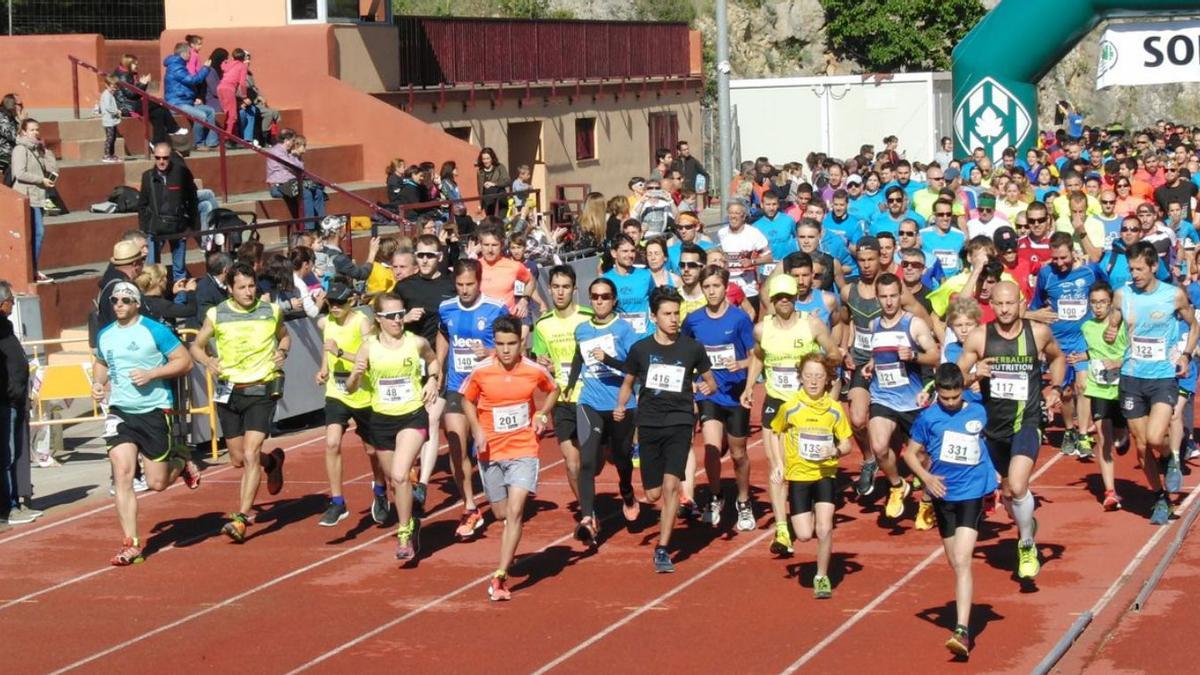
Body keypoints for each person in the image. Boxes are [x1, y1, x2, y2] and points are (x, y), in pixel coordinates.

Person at [957, 281, 1066, 579]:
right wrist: (973, 374)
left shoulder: (1037, 333)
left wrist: (1055, 388)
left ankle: (1027, 544)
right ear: (990, 306)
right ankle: (1027, 523)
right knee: (1007, 491)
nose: (1005, 310)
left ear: (1020, 303)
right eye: (999, 304)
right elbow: (955, 378)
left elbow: (1058, 357)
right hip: (994, 428)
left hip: (1027, 421)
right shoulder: (980, 337)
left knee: (1018, 485)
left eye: (1010, 303)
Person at [92, 281, 200, 564]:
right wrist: (97, 382)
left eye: (125, 300)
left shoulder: (155, 330)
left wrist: (152, 374)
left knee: (157, 482)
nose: (119, 305)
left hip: (153, 411)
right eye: (115, 300)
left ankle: (180, 460)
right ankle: (131, 543)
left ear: (137, 303)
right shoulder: (105, 334)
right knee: (123, 474)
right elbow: (101, 363)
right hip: (120, 412)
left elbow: (185, 362)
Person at [616, 287, 717, 573]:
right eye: (667, 314)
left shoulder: (691, 348)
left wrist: (705, 387)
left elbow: (711, 381)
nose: (673, 319)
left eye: (677, 313)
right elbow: (627, 383)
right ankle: (636, 494)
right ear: (654, 316)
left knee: (672, 487)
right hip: (648, 423)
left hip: (680, 422)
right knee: (652, 494)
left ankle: (662, 548)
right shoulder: (641, 349)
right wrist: (621, 406)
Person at [189, 262, 290, 542]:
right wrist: (208, 360)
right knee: (237, 459)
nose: (248, 292)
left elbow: (285, 336)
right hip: (229, 391)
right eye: (242, 287)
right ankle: (272, 463)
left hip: (262, 388)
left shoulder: (271, 311)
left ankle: (242, 517)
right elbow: (195, 346)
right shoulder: (217, 314)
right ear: (229, 289)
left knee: (249, 453)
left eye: (251, 286)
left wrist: (282, 351)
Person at [902, 363, 998, 658]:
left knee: (963, 558)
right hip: (944, 496)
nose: (951, 403)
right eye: (945, 398)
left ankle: (962, 630)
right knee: (955, 564)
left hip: (971, 493)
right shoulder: (928, 418)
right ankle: (962, 615)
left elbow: (988, 440)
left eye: (956, 397)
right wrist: (927, 479)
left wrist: (994, 475)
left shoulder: (978, 410)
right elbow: (909, 453)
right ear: (937, 394)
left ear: (962, 390)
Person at [461, 315, 558, 600]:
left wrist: (541, 413)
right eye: (501, 344)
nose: (506, 350)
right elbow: (466, 399)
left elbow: (553, 390)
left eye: (512, 344)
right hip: (490, 450)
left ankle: (500, 576)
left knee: (516, 511)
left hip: (523, 448)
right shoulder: (481, 372)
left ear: (521, 342)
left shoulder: (533, 370)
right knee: (502, 513)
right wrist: (477, 429)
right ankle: (509, 545)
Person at [742, 274, 841, 554]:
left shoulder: (811, 324)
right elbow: (759, 357)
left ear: (795, 297)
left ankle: (809, 506)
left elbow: (834, 354)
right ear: (772, 300)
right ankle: (782, 529)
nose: (784, 301)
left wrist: (818, 376)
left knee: (807, 464)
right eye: (779, 297)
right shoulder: (762, 330)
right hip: (776, 404)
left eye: (788, 296)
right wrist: (750, 386)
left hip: (807, 406)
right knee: (778, 468)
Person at [347, 292, 441, 560]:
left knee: (400, 475)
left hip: (412, 415)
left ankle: (403, 531)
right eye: (391, 316)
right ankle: (411, 517)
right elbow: (352, 388)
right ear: (378, 319)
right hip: (381, 419)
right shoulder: (368, 347)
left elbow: (433, 360)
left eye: (401, 314)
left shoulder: (416, 342)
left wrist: (432, 380)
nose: (398, 320)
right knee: (394, 481)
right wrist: (355, 374)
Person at [1109, 242, 1198, 524]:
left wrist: (1185, 355)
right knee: (1141, 446)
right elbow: (1112, 321)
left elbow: (1194, 325)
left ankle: (1173, 455)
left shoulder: (1173, 296)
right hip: (1132, 377)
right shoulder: (1122, 295)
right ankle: (1160, 497)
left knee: (1155, 437)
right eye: (1131, 269)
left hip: (1161, 377)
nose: (1134, 274)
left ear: (1153, 267)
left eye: (1139, 269)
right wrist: (1111, 329)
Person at [767, 353, 853, 598]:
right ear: (801, 378)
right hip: (799, 477)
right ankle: (804, 523)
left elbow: (847, 444)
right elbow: (775, 432)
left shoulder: (834, 410)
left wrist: (834, 450)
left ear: (827, 379)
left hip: (825, 474)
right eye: (808, 376)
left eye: (819, 376)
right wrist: (778, 465)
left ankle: (822, 576)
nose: (813, 381)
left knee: (825, 528)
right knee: (805, 534)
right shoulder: (791, 407)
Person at [437, 259, 507, 539]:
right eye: (460, 285)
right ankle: (469, 505)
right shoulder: (446, 308)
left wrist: (490, 351)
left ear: (480, 282)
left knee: (489, 447)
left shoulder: (495, 309)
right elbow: (443, 335)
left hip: (488, 388)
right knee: (454, 439)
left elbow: (513, 346)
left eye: (470, 284)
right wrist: (438, 365)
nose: (465, 290)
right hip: (457, 386)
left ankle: (502, 491)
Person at [683, 266, 756, 530]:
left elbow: (756, 356)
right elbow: (683, 352)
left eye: (716, 286)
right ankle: (715, 496)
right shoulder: (693, 320)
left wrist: (742, 364)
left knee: (738, 454)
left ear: (726, 287)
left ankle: (744, 501)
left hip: (735, 395)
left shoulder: (739, 319)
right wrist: (692, 382)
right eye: (707, 287)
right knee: (711, 448)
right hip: (709, 393)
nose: (712, 291)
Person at [863, 273, 940, 519]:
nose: (888, 302)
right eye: (883, 297)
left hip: (911, 400)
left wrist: (914, 356)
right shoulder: (873, 325)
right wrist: (871, 364)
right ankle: (898, 486)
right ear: (877, 299)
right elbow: (880, 353)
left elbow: (935, 355)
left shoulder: (913, 324)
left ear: (900, 296)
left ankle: (927, 500)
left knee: (921, 456)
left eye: (893, 296)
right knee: (878, 446)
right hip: (882, 396)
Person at [312, 280, 386, 526]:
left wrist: (341, 353)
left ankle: (380, 489)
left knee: (372, 450)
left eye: (339, 303)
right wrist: (323, 369)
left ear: (351, 302)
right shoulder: (327, 323)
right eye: (331, 303)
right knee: (332, 443)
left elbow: (370, 357)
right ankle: (337, 501)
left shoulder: (361, 323)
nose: (334, 308)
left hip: (363, 392)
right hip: (337, 392)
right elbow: (327, 349)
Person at [394, 234, 458, 508]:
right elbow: (384, 321)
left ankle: (422, 484)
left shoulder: (450, 286)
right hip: (409, 364)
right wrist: (404, 318)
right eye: (420, 255)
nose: (425, 260)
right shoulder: (404, 287)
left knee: (431, 421)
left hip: (440, 362)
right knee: (409, 422)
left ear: (440, 257)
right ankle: (404, 471)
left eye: (430, 255)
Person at [530, 265, 593, 516]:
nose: (560, 292)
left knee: (593, 461)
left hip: (590, 398)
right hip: (563, 400)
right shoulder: (543, 325)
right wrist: (543, 364)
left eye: (565, 287)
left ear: (574, 290)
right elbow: (539, 361)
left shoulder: (588, 317)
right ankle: (588, 512)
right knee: (572, 463)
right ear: (549, 289)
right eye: (555, 287)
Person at [1081, 281, 1128, 511]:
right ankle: (1110, 492)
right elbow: (1092, 350)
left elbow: (1132, 351)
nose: (1097, 307)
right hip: (1098, 387)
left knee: (1119, 434)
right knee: (1103, 438)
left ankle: (1124, 433)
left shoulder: (1120, 326)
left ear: (1111, 304)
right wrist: (1082, 359)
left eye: (1102, 302)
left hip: (1123, 387)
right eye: (1094, 303)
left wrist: (1118, 362)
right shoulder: (1087, 326)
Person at [0, 281, 40, 525]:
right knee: (7, 455)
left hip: (13, 399)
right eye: (11, 301)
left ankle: (14, 502)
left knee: (13, 454)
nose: (13, 305)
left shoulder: (6, 326)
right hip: (5, 401)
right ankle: (9, 507)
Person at [138, 143, 199, 287]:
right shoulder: (148, 176)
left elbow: (192, 199)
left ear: (170, 157)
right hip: (155, 229)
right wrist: (146, 228)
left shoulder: (181, 173)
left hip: (178, 227)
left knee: (179, 270)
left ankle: (180, 301)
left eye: (165, 158)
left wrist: (190, 226)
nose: (161, 161)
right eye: (158, 157)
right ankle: (153, 301)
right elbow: (142, 204)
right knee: (151, 270)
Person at [10, 118, 58, 281]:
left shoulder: (38, 150)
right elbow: (19, 173)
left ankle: (34, 269)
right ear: (23, 132)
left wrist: (47, 151)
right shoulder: (20, 149)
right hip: (26, 196)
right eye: (31, 130)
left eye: (37, 129)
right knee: (37, 233)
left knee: (36, 234)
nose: (35, 132)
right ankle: (33, 271)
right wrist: (40, 180)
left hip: (38, 197)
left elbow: (52, 169)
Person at [718, 201, 773, 313]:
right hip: (728, 287)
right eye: (731, 213)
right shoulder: (721, 233)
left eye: (737, 213)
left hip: (748, 288)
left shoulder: (753, 233)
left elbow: (769, 258)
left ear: (744, 216)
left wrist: (752, 261)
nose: (733, 216)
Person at [162, 42, 218, 150]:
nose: (190, 55)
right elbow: (192, 80)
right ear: (183, 54)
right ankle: (198, 143)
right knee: (201, 115)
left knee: (210, 111)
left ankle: (212, 142)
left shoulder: (180, 66)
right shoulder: (176, 67)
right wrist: (205, 68)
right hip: (176, 103)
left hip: (186, 101)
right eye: (189, 53)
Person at [603, 235, 656, 336]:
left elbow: (656, 301)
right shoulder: (606, 279)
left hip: (645, 337)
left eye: (632, 251)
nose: (630, 255)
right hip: (619, 337)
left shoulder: (646, 275)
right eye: (625, 251)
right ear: (614, 253)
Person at [477, 147, 510, 217]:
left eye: (488, 158)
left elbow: (507, 181)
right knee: (491, 223)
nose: (486, 161)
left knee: (500, 222)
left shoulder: (500, 167)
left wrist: (494, 184)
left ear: (492, 158)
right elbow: (480, 188)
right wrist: (481, 204)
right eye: (484, 159)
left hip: (500, 200)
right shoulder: (480, 171)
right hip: (488, 203)